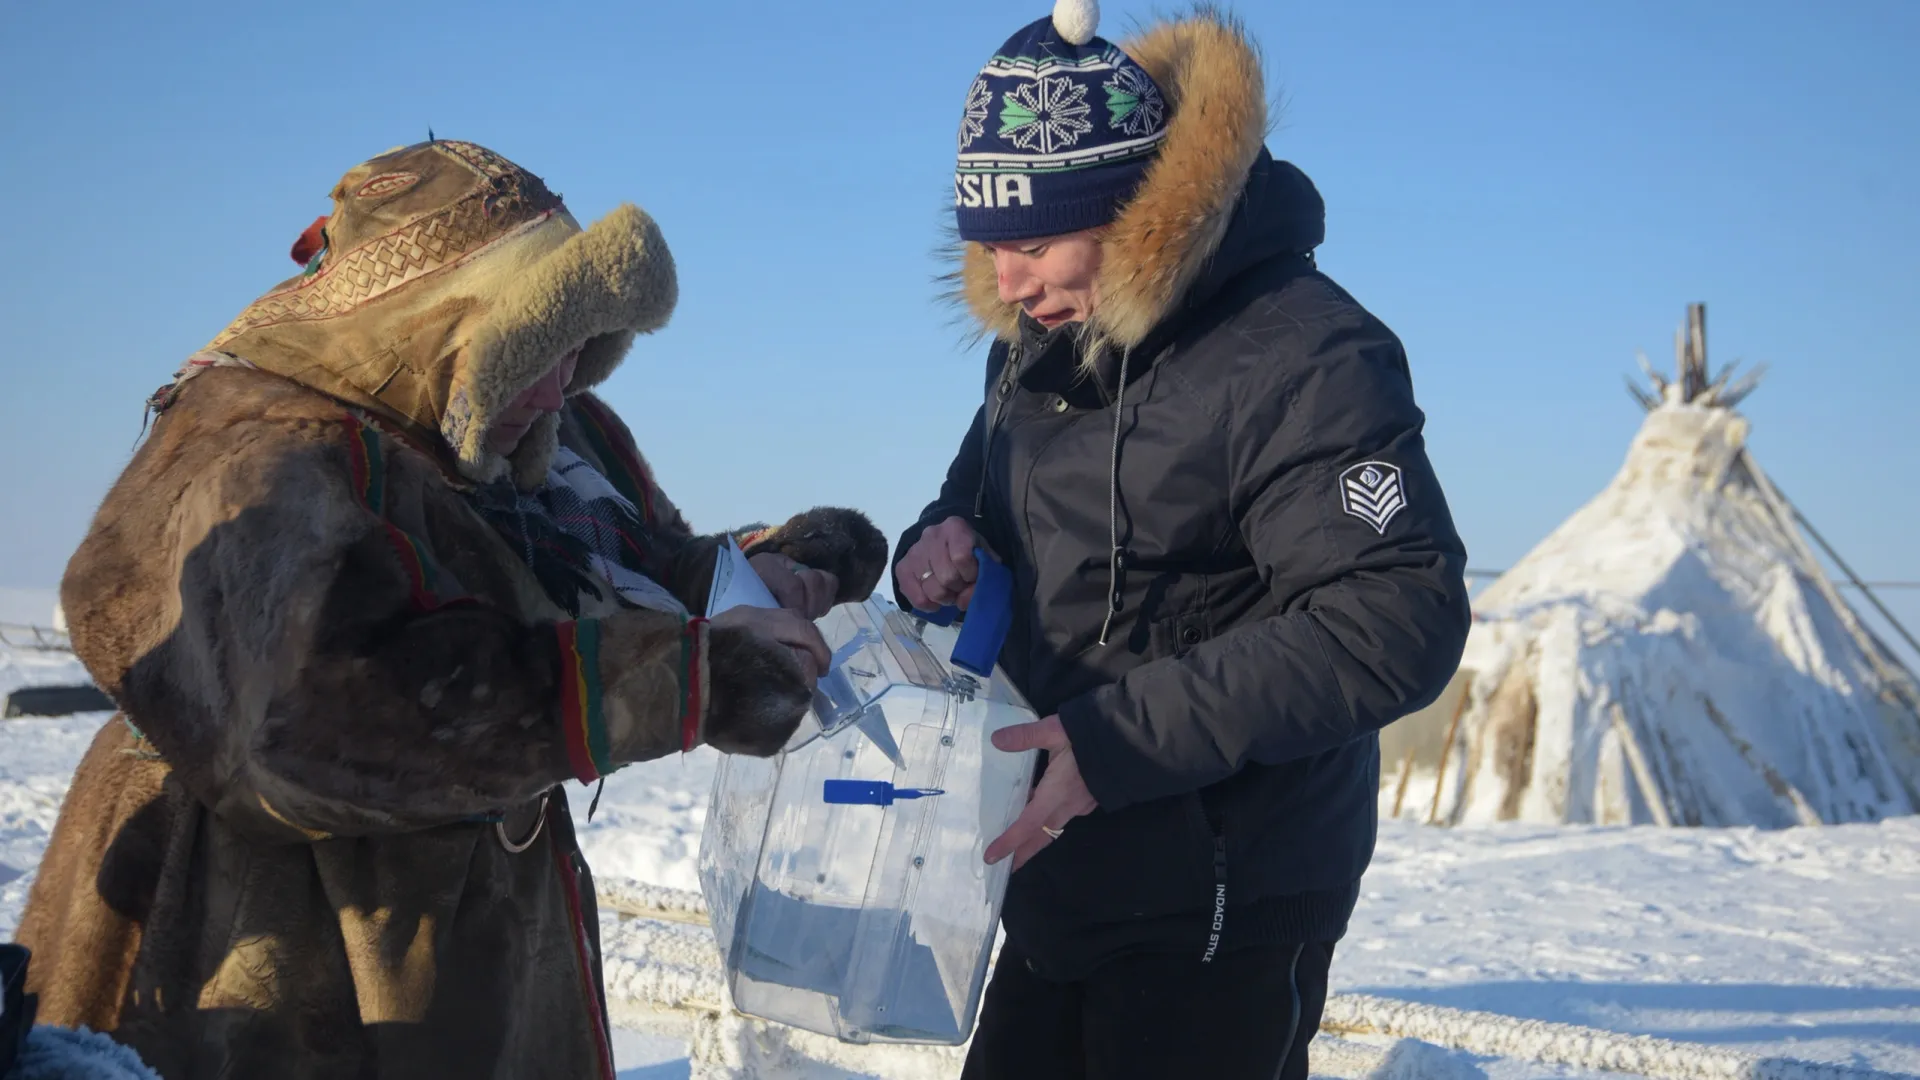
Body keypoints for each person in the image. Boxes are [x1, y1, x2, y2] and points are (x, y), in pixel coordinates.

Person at [15, 139, 888, 1080]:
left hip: (468, 930)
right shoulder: (254, 452)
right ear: (436, 321)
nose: (565, 384)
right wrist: (683, 680)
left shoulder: (535, 433)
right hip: (270, 937)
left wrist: (768, 575)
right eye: (538, 347)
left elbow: (621, 566)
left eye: (575, 348)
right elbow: (313, 719)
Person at [893, 4, 1472, 1077]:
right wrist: (941, 545)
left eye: (1034, 245)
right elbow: (974, 495)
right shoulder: (1044, 342)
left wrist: (1120, 745)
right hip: (1060, 865)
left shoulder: (1302, 353)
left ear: (1135, 213)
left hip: (1222, 901)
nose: (1009, 284)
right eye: (989, 249)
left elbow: (1397, 614)